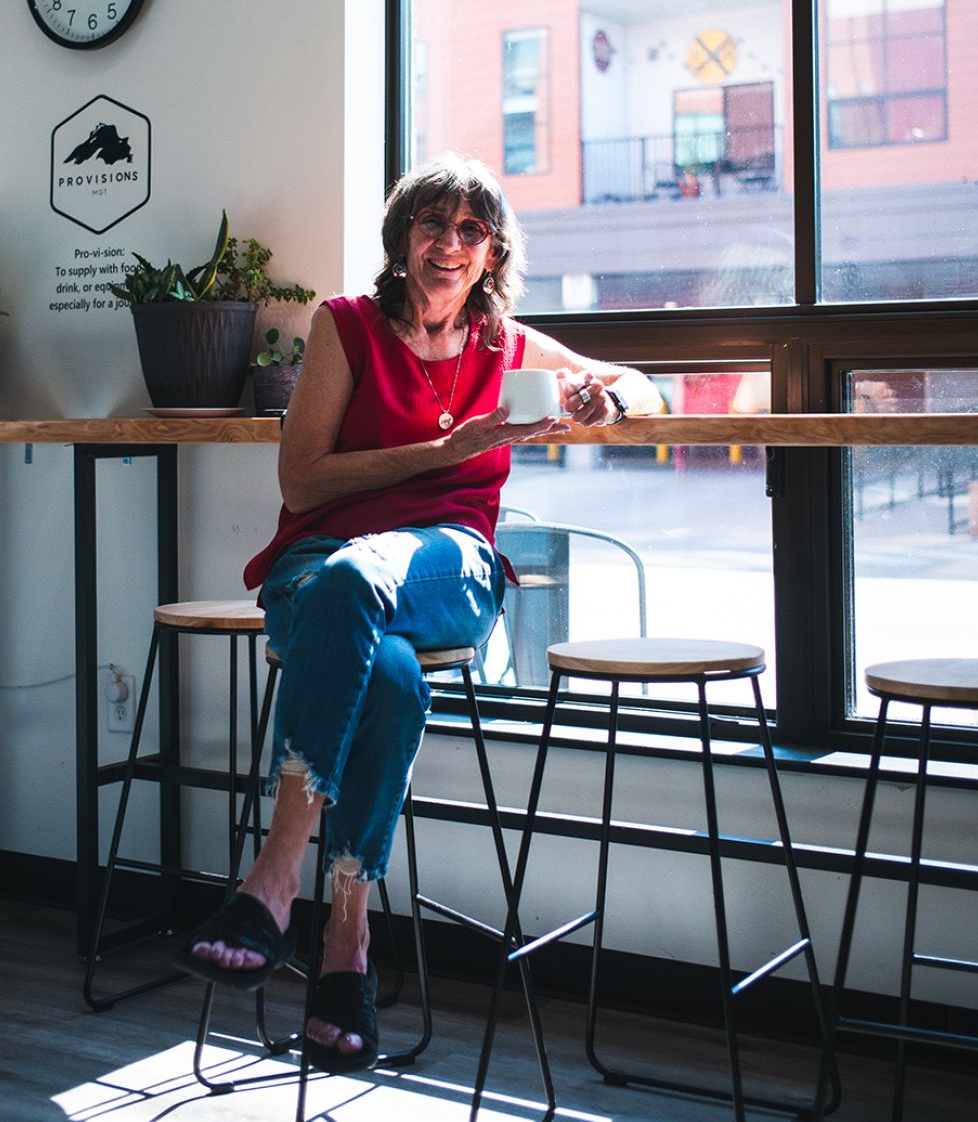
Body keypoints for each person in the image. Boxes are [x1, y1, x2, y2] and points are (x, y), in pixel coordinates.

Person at [169, 155, 661, 1073]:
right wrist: (448, 450)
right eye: (432, 225)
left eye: (470, 231)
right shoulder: (344, 328)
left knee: (368, 580)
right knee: (385, 669)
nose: (449, 244)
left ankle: (274, 880)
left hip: (450, 570)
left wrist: (611, 396)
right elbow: (302, 479)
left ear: (491, 254)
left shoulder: (507, 346)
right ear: (401, 241)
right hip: (318, 568)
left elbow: (642, 383)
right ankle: (345, 946)